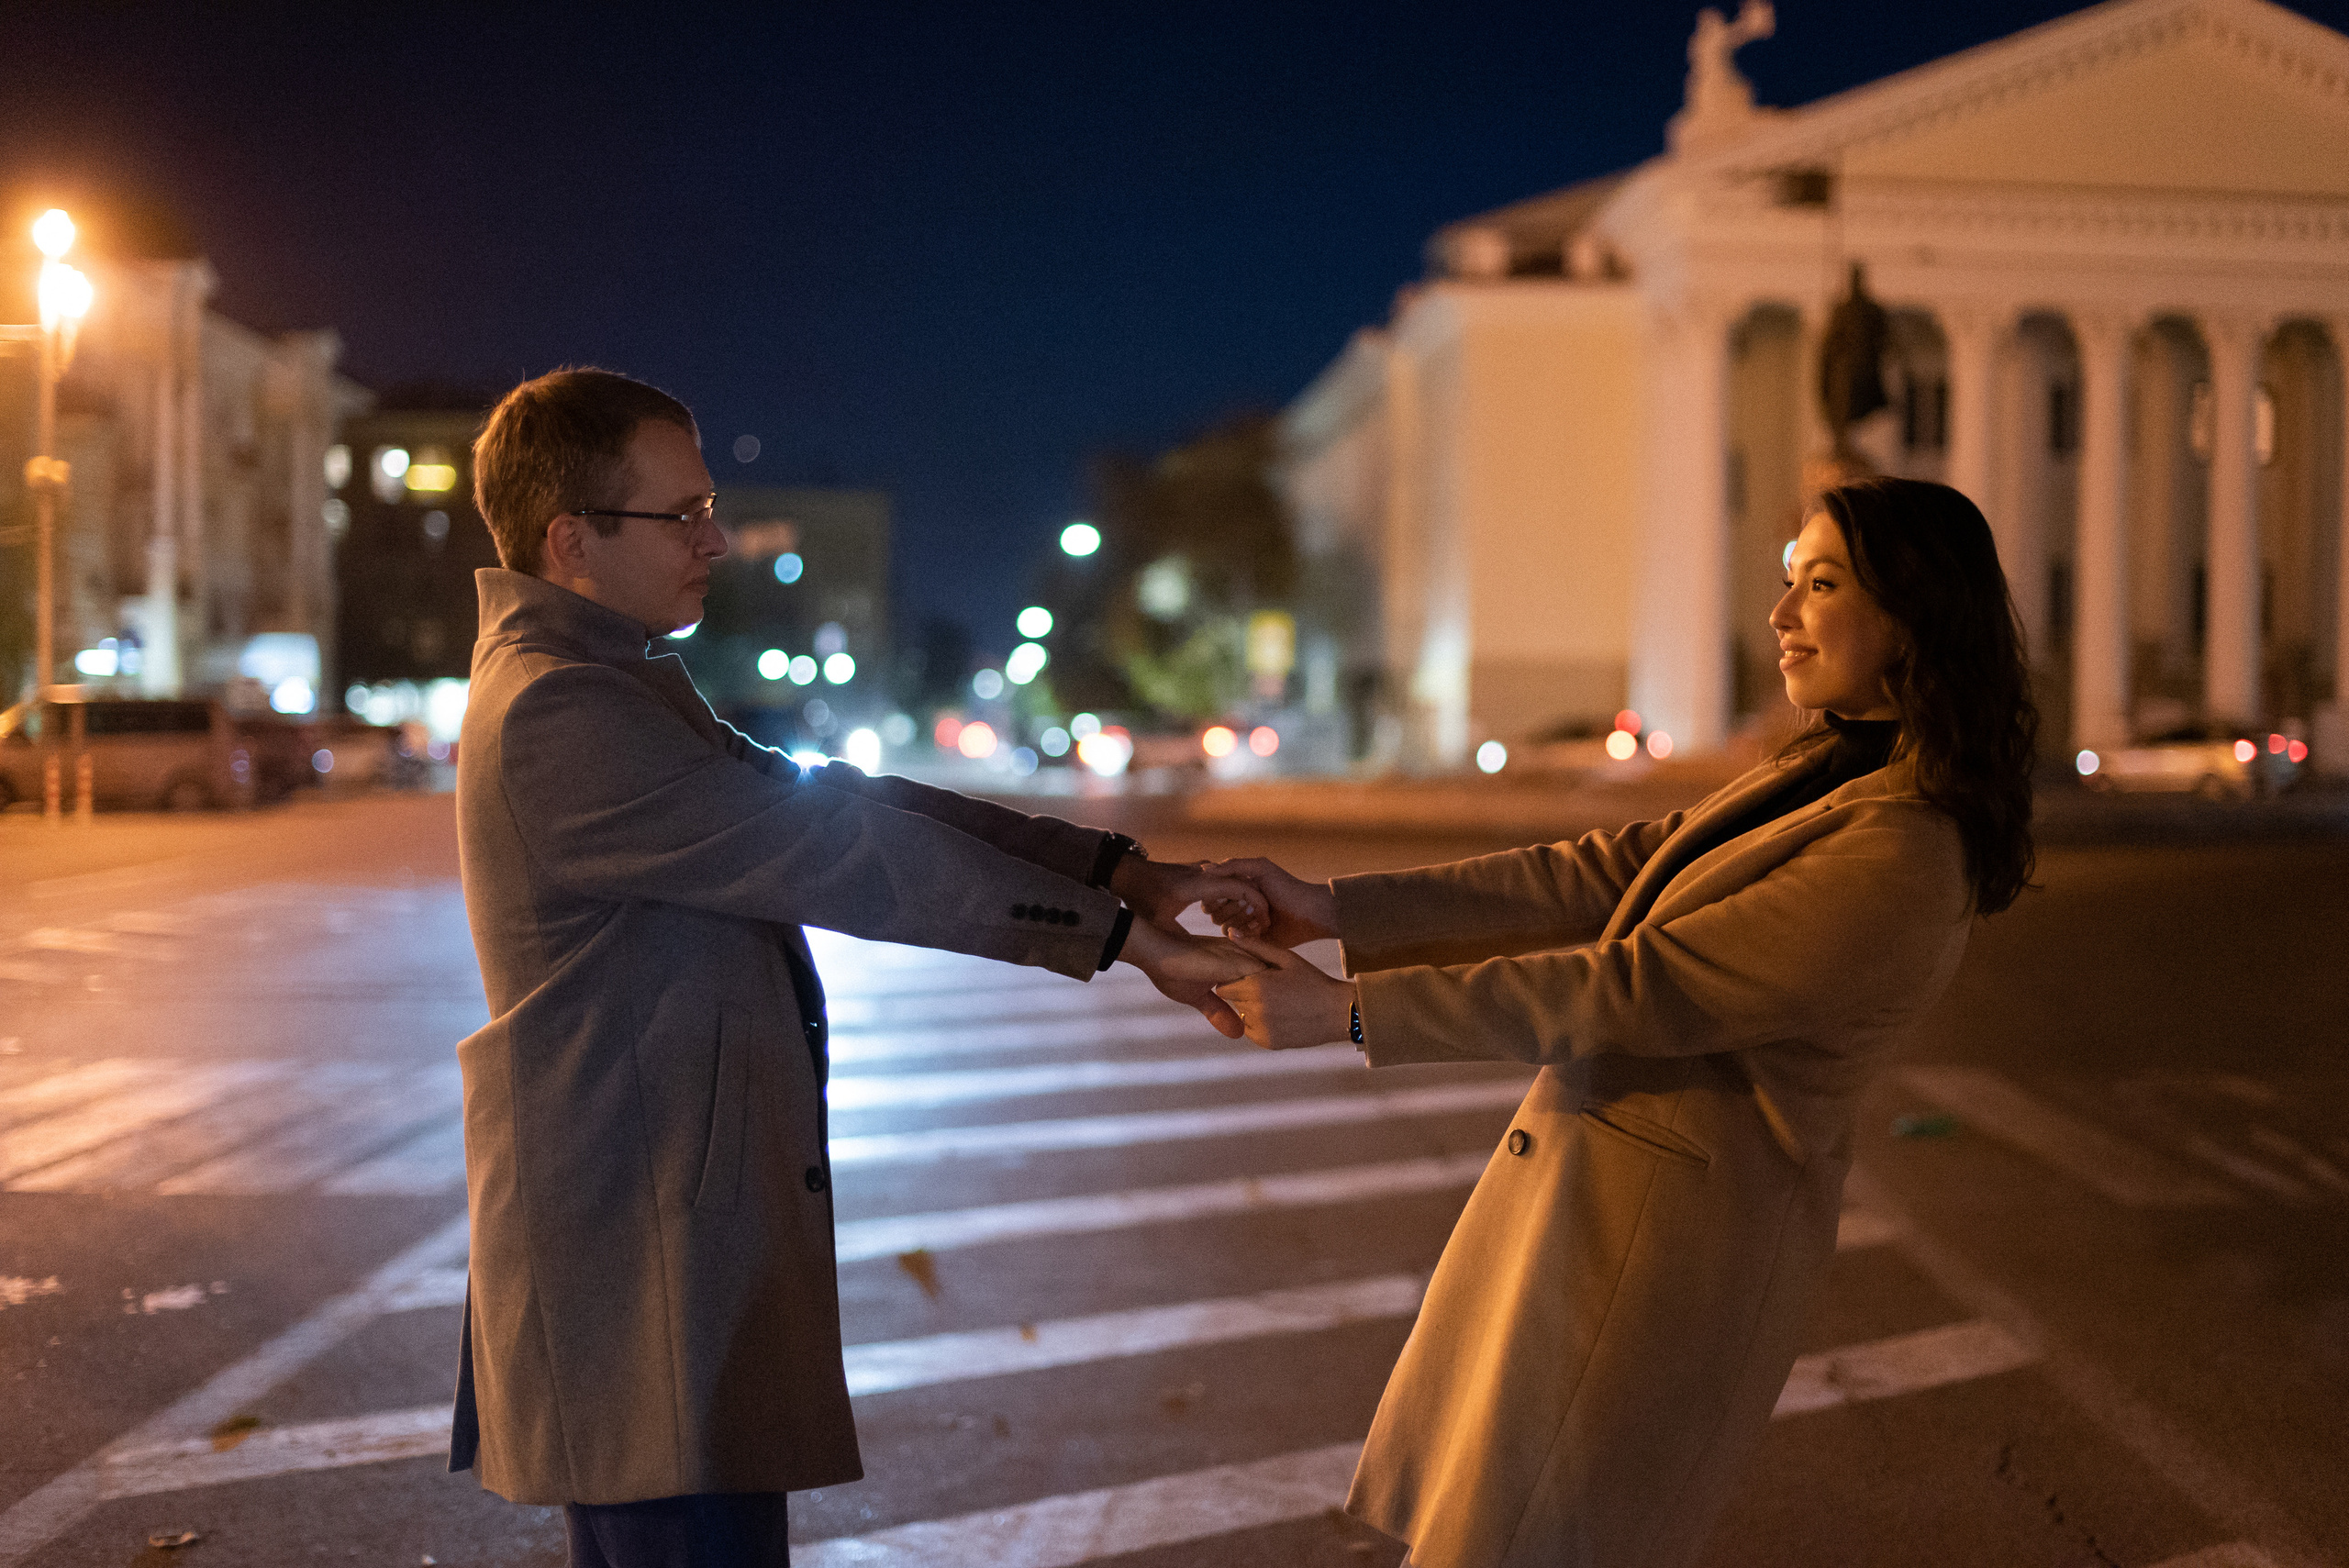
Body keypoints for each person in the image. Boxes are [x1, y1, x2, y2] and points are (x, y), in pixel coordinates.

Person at [445, 367, 1262, 1566]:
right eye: (682, 514)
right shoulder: (561, 711)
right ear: (571, 539)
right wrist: (1124, 945)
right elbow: (839, 850)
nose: (714, 540)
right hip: (638, 1279)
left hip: (668, 1259)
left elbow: (841, 796)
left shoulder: (612, 682)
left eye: (708, 505)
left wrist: (1119, 875)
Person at [1208, 477, 2037, 1568]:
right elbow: (1600, 872)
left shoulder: (1906, 849)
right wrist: (1332, 908)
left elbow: (1639, 987)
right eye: (1787, 580)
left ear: (1916, 611)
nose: (1781, 615)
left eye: (1821, 584)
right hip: (1594, 1228)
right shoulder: (1828, 764)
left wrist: (1346, 1013)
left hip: (1656, 1266)